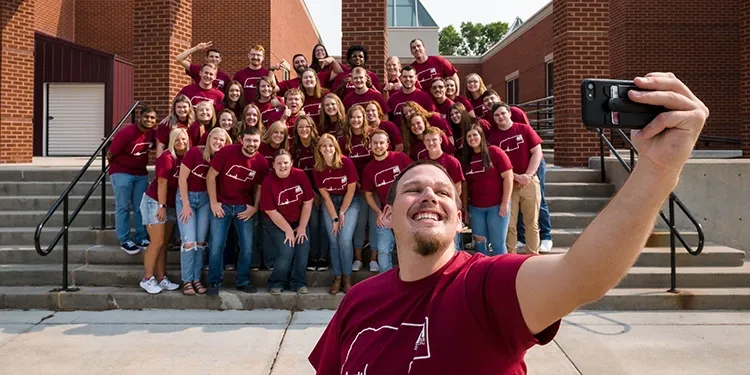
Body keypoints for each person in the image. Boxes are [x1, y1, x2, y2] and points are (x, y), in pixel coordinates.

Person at [309, 73, 709, 373]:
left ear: (460, 220)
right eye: (413, 190)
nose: (430, 195)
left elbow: (583, 275)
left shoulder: (488, 285)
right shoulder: (357, 303)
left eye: (444, 192)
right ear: (387, 214)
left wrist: (657, 169)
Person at [205, 126, 269, 295]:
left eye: (255, 141)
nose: (252, 144)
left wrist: (254, 207)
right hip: (222, 205)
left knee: (247, 247)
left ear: (260, 141)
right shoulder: (227, 151)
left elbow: (259, 187)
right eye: (248, 140)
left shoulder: (261, 162)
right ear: (241, 139)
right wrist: (213, 202)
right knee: (217, 245)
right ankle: (214, 282)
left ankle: (243, 281)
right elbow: (210, 176)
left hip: (243, 207)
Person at [176, 127, 232, 295]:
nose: (218, 142)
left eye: (222, 140)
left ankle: (196, 279)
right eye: (215, 139)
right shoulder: (195, 152)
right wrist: (185, 203)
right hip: (187, 198)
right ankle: (186, 280)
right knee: (189, 242)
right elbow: (182, 179)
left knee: (200, 242)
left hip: (206, 200)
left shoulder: (224, 157)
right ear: (208, 139)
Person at [488, 102, 544, 255]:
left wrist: (528, 175)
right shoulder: (492, 137)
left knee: (531, 223)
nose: (500, 117)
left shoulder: (524, 129)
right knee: (509, 226)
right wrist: (517, 177)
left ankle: (533, 257)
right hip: (508, 185)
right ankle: (511, 258)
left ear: (509, 113)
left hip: (529, 182)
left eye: (503, 113)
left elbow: (537, 153)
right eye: (496, 115)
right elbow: (495, 165)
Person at [138, 128, 188, 294]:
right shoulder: (167, 157)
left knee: (164, 244)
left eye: (184, 139)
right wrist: (161, 206)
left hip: (171, 203)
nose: (181, 143)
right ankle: (147, 279)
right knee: (157, 242)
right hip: (156, 202)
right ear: (171, 141)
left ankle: (161, 278)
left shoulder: (186, 157)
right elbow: (162, 183)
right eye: (177, 140)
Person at [260, 149, 315, 295]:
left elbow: (308, 202)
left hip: (298, 219)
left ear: (291, 163)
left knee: (302, 248)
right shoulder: (268, 181)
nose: (282, 166)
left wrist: (302, 227)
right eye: (279, 163)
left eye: (285, 162)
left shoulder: (299, 175)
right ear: (273, 165)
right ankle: (276, 282)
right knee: (286, 248)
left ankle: (298, 282)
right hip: (276, 221)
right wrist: (288, 230)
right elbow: (271, 211)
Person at [359, 130, 413, 272]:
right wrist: (378, 212)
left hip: (407, 210)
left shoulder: (401, 158)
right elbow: (368, 194)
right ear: (370, 145)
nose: (378, 146)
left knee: (409, 249)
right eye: (375, 143)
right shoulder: (369, 169)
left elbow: (415, 177)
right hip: (387, 212)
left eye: (381, 142)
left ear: (388, 144)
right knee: (383, 251)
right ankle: (387, 284)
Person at [312, 133, 360, 293]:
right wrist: (334, 217)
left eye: (330, 145)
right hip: (331, 202)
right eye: (324, 146)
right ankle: (337, 277)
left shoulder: (346, 162)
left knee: (345, 240)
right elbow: (325, 196)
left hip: (349, 202)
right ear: (319, 149)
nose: (327, 148)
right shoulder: (317, 168)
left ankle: (347, 277)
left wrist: (342, 213)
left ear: (336, 147)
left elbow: (351, 190)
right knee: (334, 240)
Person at [107, 105, 157, 254]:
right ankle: (124, 239)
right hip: (122, 173)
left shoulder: (152, 134)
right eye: (146, 117)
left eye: (152, 118)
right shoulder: (127, 133)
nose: (149, 120)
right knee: (122, 206)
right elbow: (111, 153)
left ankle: (141, 236)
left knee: (140, 206)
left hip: (140, 173)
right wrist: (118, 169)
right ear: (140, 118)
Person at [462, 124, 514, 255]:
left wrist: (505, 202)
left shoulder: (495, 152)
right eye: (468, 136)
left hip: (496, 207)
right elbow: (465, 186)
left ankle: (501, 273)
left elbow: (508, 177)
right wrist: (465, 208)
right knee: (480, 245)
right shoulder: (466, 158)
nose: (472, 138)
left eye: (475, 135)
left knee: (498, 244)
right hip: (476, 208)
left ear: (481, 136)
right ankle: (483, 272)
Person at [340, 105, 378, 273]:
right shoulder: (344, 140)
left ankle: (374, 259)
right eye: (352, 117)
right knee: (359, 224)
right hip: (354, 188)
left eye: (359, 117)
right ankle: (357, 259)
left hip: (373, 187)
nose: (356, 120)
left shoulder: (371, 136)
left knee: (375, 222)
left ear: (364, 119)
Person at [291, 115, 329, 272]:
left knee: (324, 225)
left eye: (307, 126)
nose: (304, 130)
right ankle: (313, 257)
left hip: (325, 190)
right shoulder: (294, 148)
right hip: (306, 194)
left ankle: (323, 257)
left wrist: (319, 192)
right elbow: (293, 173)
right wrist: (312, 194)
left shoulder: (319, 145)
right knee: (312, 225)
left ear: (312, 128)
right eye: (300, 127)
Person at [422, 127, 465, 250]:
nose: (431, 143)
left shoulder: (452, 162)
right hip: (431, 207)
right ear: (424, 142)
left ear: (440, 140)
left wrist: (450, 205)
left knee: (453, 244)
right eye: (428, 140)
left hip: (448, 206)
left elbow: (458, 188)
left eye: (434, 139)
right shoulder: (423, 163)